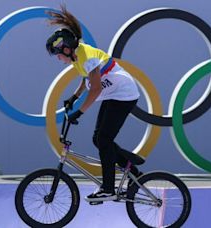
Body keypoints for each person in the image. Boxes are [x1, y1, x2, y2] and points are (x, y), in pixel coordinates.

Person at [46, 5, 142, 202]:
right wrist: (74, 96)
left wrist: (79, 112)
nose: (58, 58)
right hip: (113, 94)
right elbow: (87, 79)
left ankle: (108, 188)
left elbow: (96, 88)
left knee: (104, 139)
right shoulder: (78, 56)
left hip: (123, 95)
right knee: (98, 139)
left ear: (66, 47)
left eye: (58, 53)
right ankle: (133, 169)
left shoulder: (86, 55)